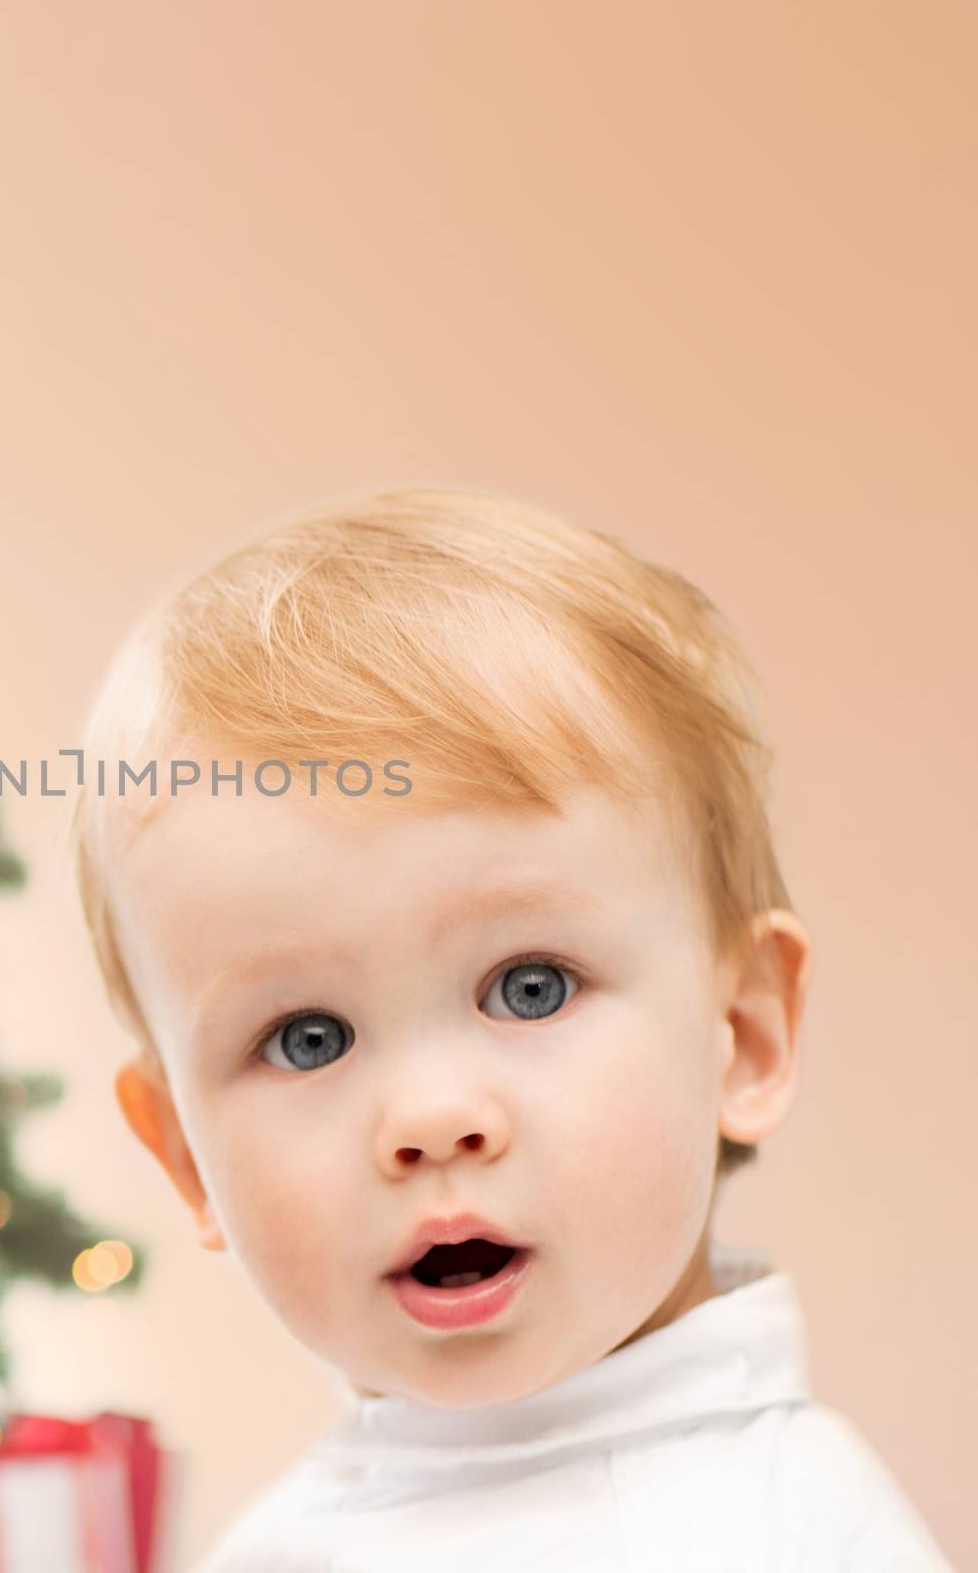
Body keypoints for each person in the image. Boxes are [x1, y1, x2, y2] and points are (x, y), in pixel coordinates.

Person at [66, 488, 954, 1571]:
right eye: (309, 1037)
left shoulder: (783, 1529)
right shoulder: (278, 1546)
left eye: (529, 986)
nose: (432, 1119)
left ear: (743, 1032)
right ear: (183, 1156)